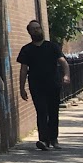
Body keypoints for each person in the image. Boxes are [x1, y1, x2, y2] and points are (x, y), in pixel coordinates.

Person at [16, 19, 67, 150]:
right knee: (41, 111)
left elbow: (63, 62)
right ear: (29, 32)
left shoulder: (52, 46)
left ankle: (54, 139)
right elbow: (23, 70)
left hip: (53, 84)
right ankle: (43, 140)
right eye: (33, 29)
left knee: (53, 111)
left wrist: (66, 75)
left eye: (38, 28)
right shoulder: (26, 50)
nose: (36, 30)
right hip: (36, 85)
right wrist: (22, 88)